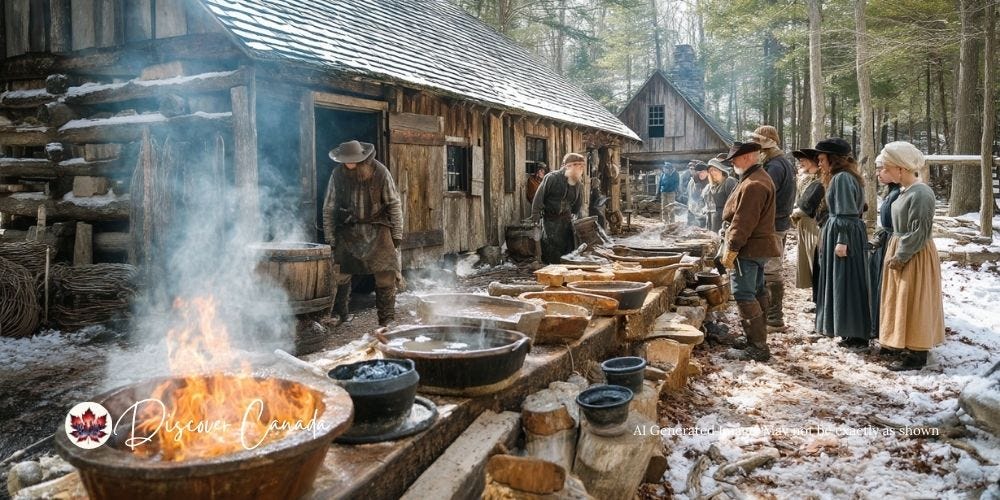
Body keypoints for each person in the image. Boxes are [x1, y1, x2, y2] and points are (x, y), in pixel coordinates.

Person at [877, 141, 944, 371]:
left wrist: (901, 255)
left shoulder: (921, 193)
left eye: (887, 167)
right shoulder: (904, 190)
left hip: (914, 253)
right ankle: (901, 342)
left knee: (914, 298)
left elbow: (919, 231)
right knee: (901, 297)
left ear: (901, 168)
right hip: (901, 247)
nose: (884, 171)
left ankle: (917, 353)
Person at [323, 140, 404, 327]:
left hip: (378, 229)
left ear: (362, 159)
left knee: (386, 275)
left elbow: (394, 204)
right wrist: (330, 237)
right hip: (349, 230)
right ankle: (340, 314)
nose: (348, 164)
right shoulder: (337, 174)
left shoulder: (381, 172)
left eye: (352, 160)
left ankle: (387, 318)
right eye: (345, 161)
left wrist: (397, 235)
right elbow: (329, 207)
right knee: (341, 274)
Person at [719, 141, 780, 361]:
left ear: (747, 157)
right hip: (757, 247)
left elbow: (744, 221)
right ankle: (756, 338)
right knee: (756, 291)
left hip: (749, 247)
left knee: (744, 293)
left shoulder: (754, 183)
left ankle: (757, 346)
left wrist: (732, 247)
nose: (732, 163)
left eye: (734, 159)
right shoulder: (756, 178)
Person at [813, 138, 871, 348]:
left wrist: (842, 240)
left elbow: (846, 213)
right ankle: (847, 330)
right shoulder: (843, 177)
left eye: (822, 159)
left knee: (847, 282)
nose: (819, 163)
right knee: (842, 281)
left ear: (833, 158)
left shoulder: (842, 178)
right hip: (841, 232)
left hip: (844, 235)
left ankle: (856, 333)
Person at [747, 125, 796, 332]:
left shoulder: (776, 166)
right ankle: (768, 315)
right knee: (768, 269)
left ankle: (775, 318)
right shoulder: (779, 163)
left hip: (773, 225)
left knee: (771, 271)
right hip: (776, 223)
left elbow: (763, 196)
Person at [531, 153, 586, 264]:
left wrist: (578, 220)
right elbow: (538, 200)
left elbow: (578, 206)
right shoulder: (551, 178)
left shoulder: (578, 184)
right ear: (568, 166)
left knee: (568, 253)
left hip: (567, 223)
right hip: (550, 222)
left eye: (582, 165)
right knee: (551, 252)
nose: (581, 168)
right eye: (578, 165)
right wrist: (535, 219)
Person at [868, 153, 901, 338]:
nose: (878, 173)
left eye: (882, 169)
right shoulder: (891, 192)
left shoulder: (899, 194)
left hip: (893, 244)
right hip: (885, 242)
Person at [790, 148, 823, 293]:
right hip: (803, 223)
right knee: (807, 260)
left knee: (815, 259)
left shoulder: (819, 179)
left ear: (812, 161)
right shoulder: (804, 177)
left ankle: (819, 295)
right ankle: (816, 294)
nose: (800, 163)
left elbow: (812, 203)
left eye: (803, 160)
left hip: (814, 223)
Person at [702, 154, 738, 233]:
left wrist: (729, 224)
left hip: (725, 223)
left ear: (721, 170)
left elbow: (735, 204)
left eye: (715, 170)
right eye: (710, 171)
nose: (712, 173)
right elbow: (705, 204)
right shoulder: (709, 187)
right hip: (712, 223)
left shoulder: (729, 182)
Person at [686, 161, 710, 227]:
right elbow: (692, 196)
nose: (701, 174)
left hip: (706, 211)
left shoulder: (711, 182)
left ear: (707, 172)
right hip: (693, 210)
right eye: (699, 172)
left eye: (703, 172)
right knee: (691, 228)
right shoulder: (693, 181)